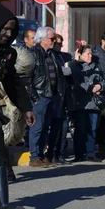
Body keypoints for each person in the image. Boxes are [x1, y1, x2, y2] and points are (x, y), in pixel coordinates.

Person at [0, 0, 35, 209]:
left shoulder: (6, 54)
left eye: (11, 29)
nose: (7, 33)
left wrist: (26, 109)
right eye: (4, 28)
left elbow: (13, 83)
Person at [68, 44, 105, 162]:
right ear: (81, 55)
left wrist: (99, 86)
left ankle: (91, 153)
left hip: (94, 104)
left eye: (91, 54)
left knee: (93, 129)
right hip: (81, 103)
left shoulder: (96, 66)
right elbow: (76, 83)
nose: (90, 56)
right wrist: (90, 88)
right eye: (87, 54)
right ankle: (79, 154)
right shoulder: (76, 66)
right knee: (80, 130)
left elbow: (103, 82)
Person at [28, 26, 60, 167]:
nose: (53, 41)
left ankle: (41, 155)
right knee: (37, 127)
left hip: (51, 95)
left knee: (46, 127)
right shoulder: (33, 54)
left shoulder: (51, 54)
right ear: (42, 39)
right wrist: (35, 98)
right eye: (51, 38)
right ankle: (34, 156)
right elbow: (27, 79)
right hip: (40, 96)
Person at [45, 34, 72, 164]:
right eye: (58, 43)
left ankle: (59, 154)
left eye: (61, 44)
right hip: (55, 95)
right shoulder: (49, 55)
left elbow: (70, 55)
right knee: (55, 128)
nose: (60, 46)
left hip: (63, 95)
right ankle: (51, 154)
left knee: (63, 127)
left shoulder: (60, 56)